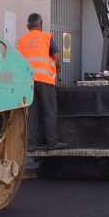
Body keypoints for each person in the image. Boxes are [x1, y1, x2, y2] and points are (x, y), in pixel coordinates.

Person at [18, 13, 64, 150]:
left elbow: (18, 62)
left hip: (28, 83)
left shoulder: (22, 41)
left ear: (28, 26)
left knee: (31, 114)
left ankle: (31, 144)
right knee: (49, 111)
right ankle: (51, 143)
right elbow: (56, 56)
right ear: (41, 25)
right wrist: (58, 68)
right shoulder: (46, 37)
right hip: (45, 81)